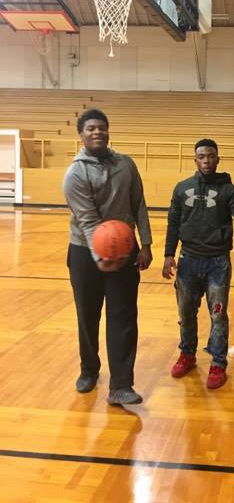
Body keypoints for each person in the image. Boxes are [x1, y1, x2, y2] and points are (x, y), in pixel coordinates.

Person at [162, 138, 234, 389]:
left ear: (218, 159)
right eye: (201, 157)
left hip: (218, 263)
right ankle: (187, 355)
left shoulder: (228, 190)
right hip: (187, 261)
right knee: (185, 314)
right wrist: (168, 254)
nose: (206, 161)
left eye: (211, 156)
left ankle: (218, 364)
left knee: (218, 315)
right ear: (195, 160)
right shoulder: (182, 188)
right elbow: (173, 223)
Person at [63, 109, 153, 405]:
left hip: (125, 249)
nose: (97, 132)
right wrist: (100, 254)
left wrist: (146, 244)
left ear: (108, 131)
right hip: (85, 253)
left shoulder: (126, 164)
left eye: (101, 127)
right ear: (81, 134)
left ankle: (121, 386)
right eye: (90, 128)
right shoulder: (75, 172)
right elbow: (88, 221)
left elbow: (139, 203)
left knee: (124, 317)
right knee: (88, 316)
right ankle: (89, 369)